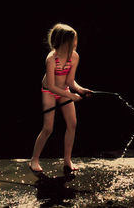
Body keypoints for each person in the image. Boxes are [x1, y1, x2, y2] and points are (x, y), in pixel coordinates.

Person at [29, 23, 92, 173]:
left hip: (64, 89)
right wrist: (71, 95)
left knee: (72, 124)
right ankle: (34, 160)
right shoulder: (51, 59)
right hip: (49, 92)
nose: (76, 44)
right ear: (64, 42)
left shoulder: (74, 57)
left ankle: (67, 160)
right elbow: (51, 86)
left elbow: (70, 81)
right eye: (73, 41)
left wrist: (80, 90)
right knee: (48, 128)